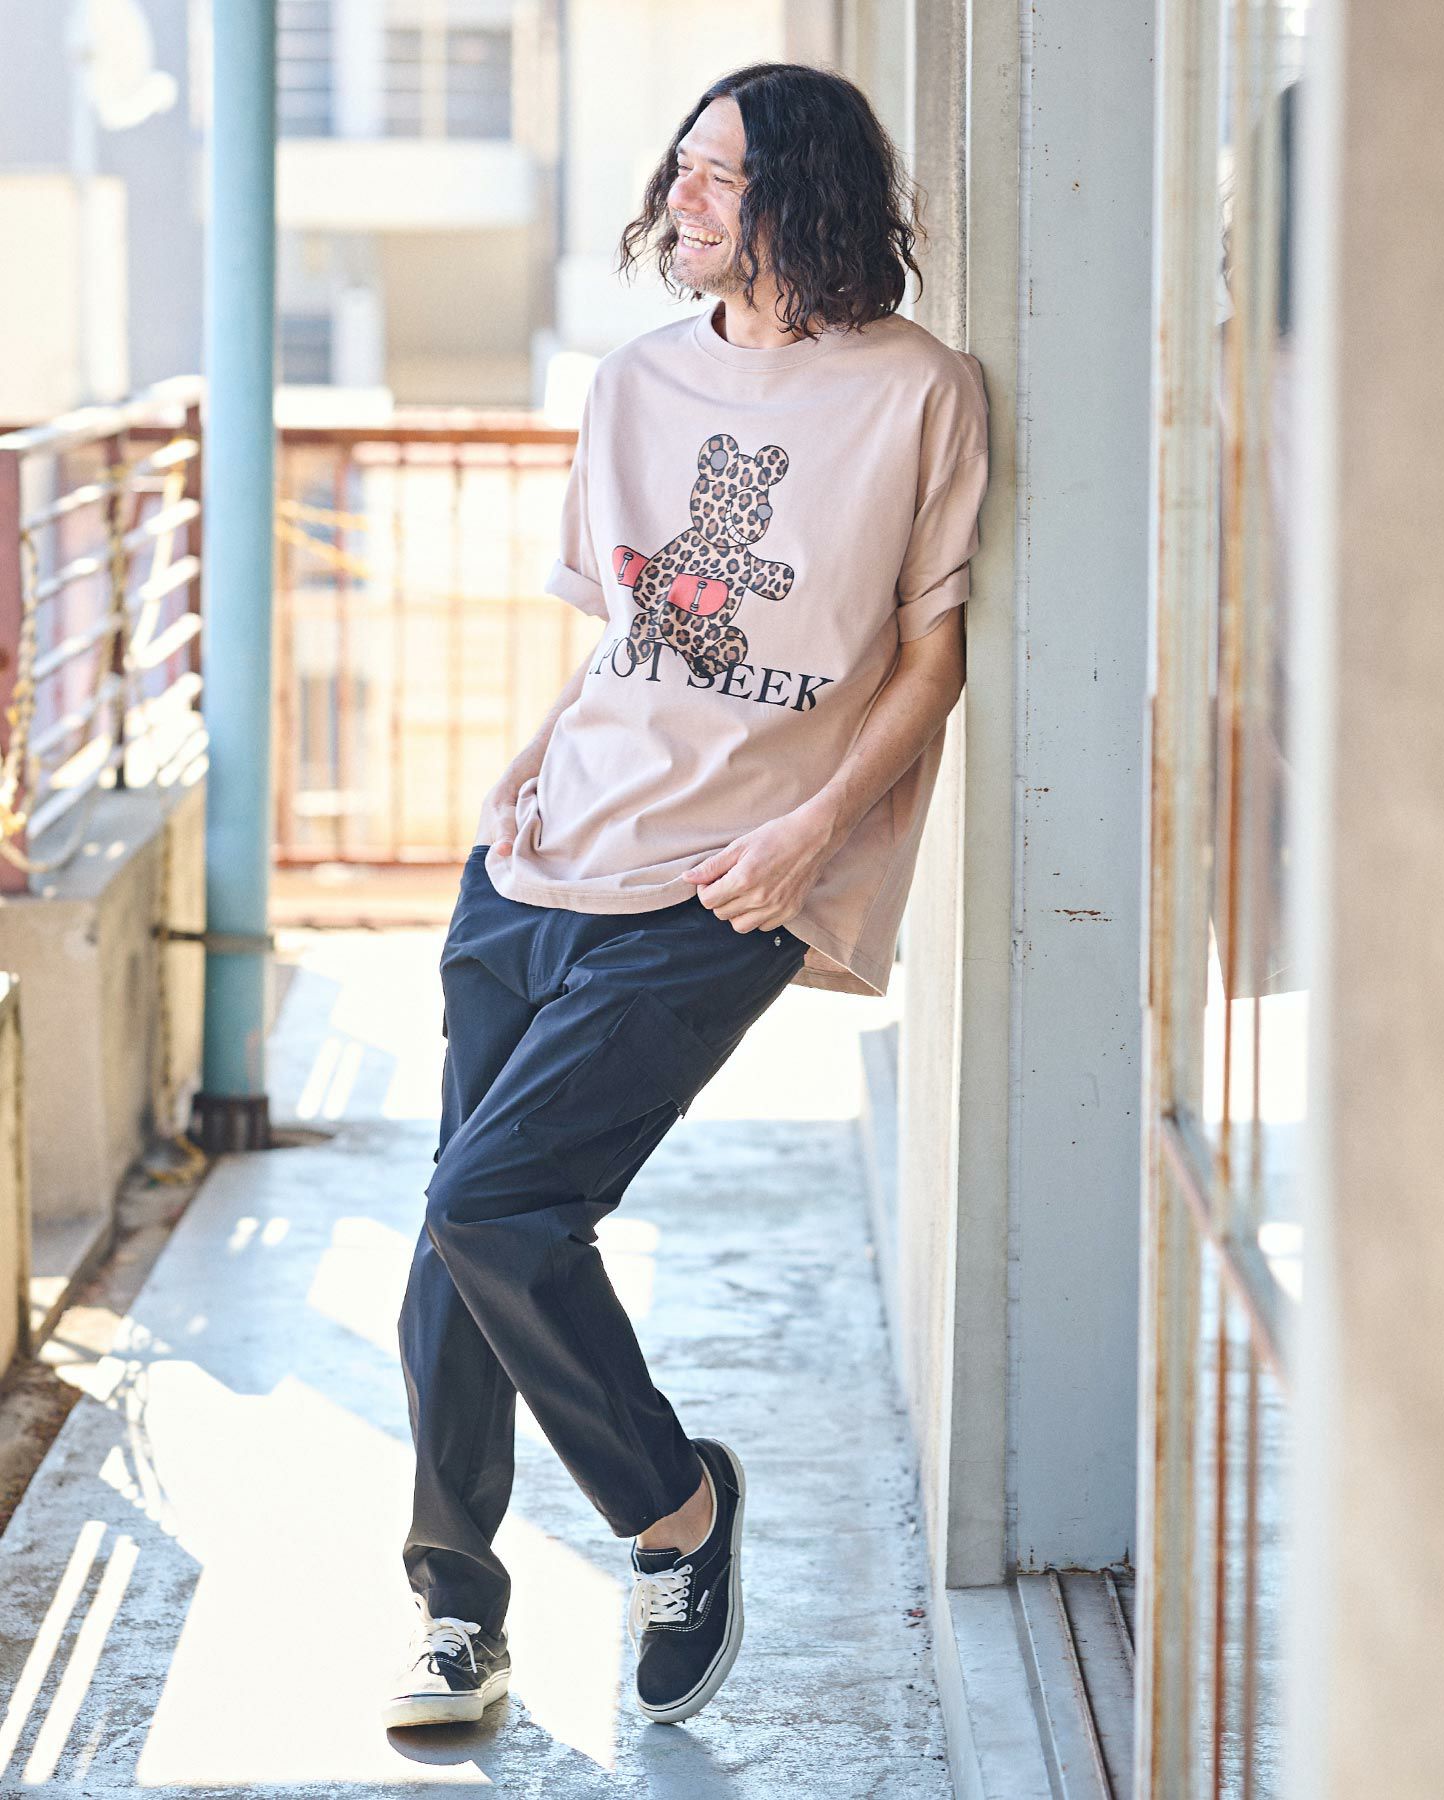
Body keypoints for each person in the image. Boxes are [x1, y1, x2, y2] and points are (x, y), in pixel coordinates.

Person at [383, 60, 989, 1732]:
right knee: (458, 1241)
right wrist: (521, 774)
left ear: (806, 192)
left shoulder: (919, 393)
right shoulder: (635, 379)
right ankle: (457, 1614)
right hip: (537, 856)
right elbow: (631, 642)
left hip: (721, 888)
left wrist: (809, 840)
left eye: (722, 173)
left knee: (496, 1203)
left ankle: (676, 1510)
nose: (685, 197)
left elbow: (929, 664)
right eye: (682, 169)